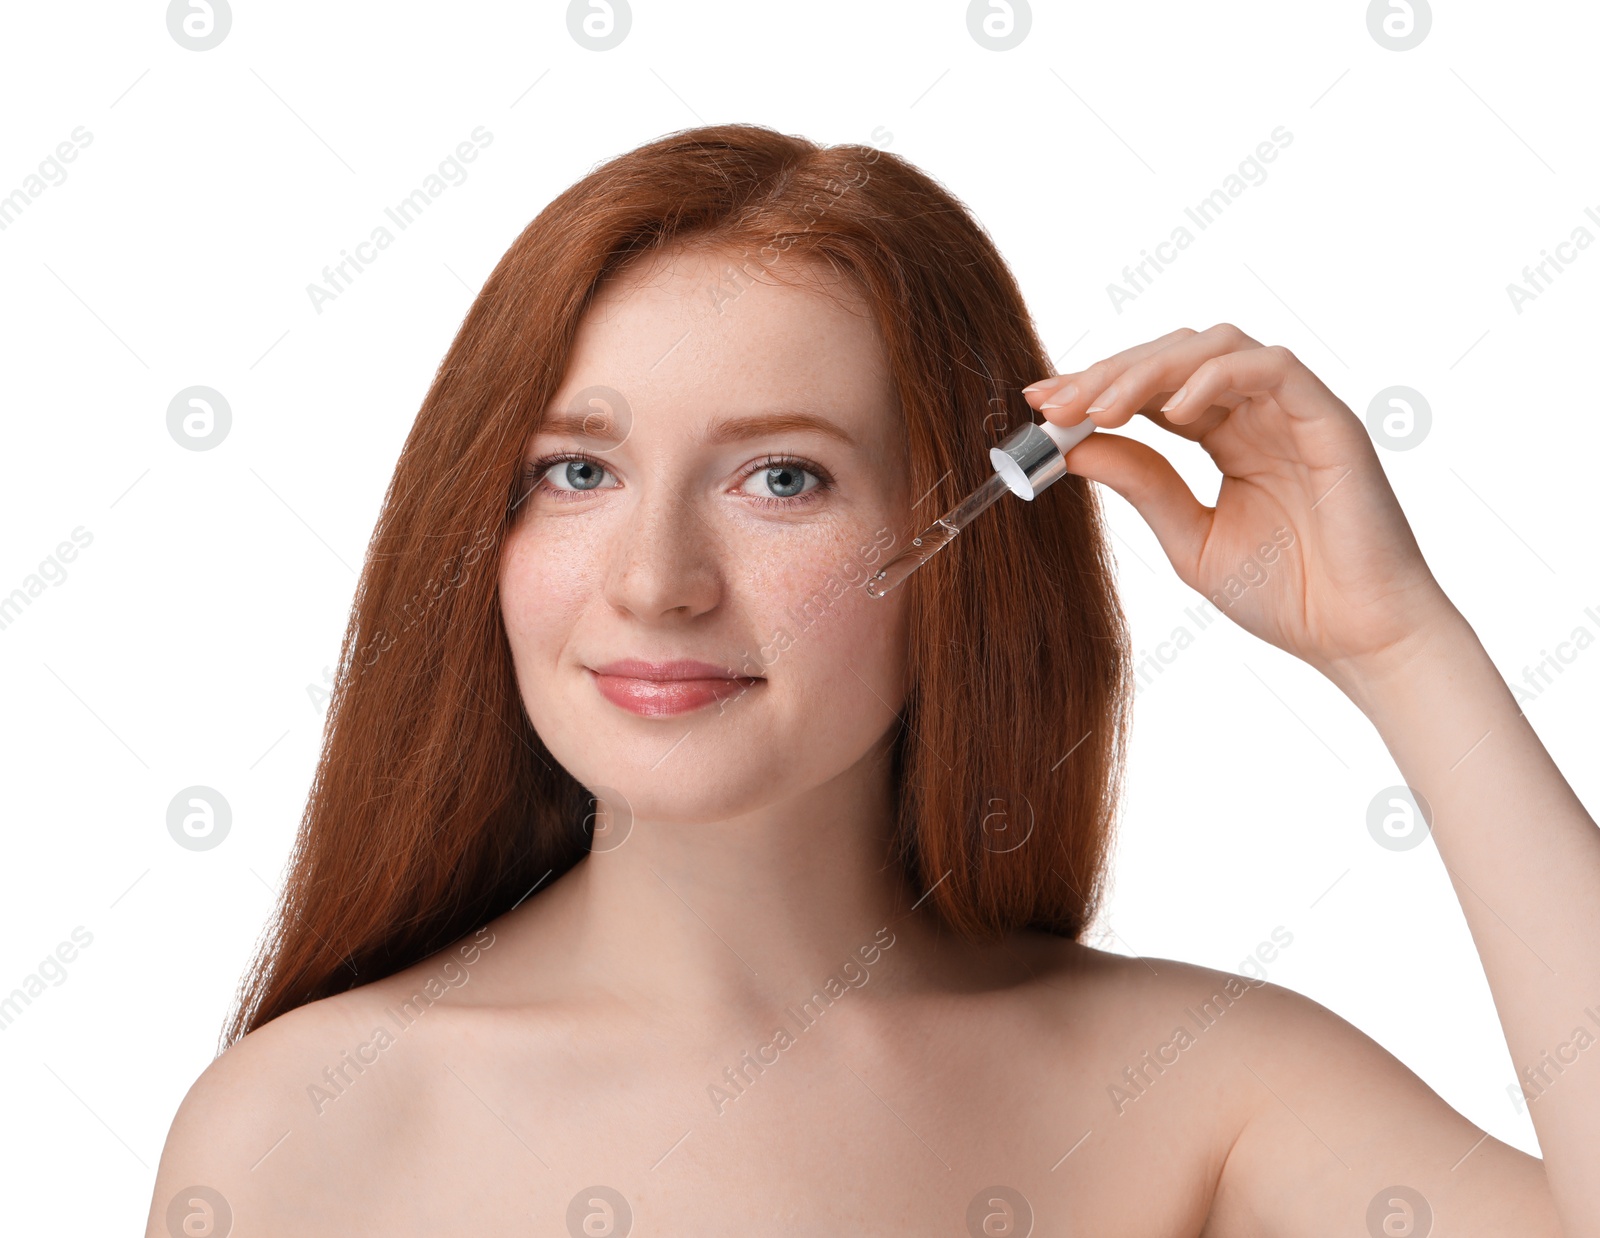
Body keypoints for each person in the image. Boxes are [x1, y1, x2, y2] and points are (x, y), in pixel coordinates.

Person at [146, 124, 1592, 1237]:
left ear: (959, 539)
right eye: (576, 470)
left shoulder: (1197, 1086)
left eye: (783, 477)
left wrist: (1400, 643)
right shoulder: (302, 1129)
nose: (655, 578)